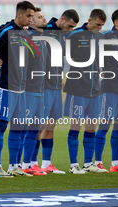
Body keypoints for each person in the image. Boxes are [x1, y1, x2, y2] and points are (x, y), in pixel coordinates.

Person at [0, 1, 36, 177]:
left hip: (22, 88)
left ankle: (14, 166)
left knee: (19, 128)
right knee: (1, 126)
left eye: (32, 16)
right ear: (19, 14)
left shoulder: (26, 33)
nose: (30, 19)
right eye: (29, 15)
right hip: (6, 86)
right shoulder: (6, 30)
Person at [32, 9, 79, 174]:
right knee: (39, 125)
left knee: (51, 124)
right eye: (70, 26)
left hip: (56, 85)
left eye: (74, 28)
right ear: (63, 19)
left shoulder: (63, 35)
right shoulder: (45, 29)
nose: (71, 29)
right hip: (43, 85)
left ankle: (46, 163)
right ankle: (31, 163)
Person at [63, 9, 108, 174]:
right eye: (97, 24)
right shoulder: (74, 35)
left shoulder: (101, 37)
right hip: (77, 88)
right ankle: (73, 165)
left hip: (95, 89)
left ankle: (89, 164)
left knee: (91, 128)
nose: (100, 28)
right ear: (89, 20)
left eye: (102, 25)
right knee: (76, 126)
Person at [94, 9, 118, 173]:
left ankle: (116, 162)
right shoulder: (106, 37)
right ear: (116, 22)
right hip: (109, 89)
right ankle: (96, 162)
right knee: (104, 125)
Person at [19, 7, 47, 176]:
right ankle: (22, 164)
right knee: (25, 129)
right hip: (28, 90)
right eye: (39, 17)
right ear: (31, 21)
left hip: (41, 89)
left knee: (36, 128)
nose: (44, 19)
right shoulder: (25, 37)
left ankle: (31, 163)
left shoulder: (43, 38)